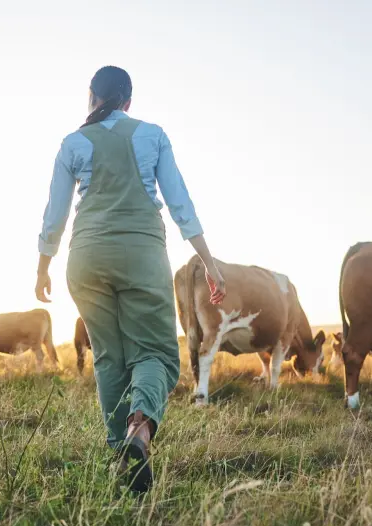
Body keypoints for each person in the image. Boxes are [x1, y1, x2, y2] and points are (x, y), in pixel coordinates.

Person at [35, 65, 225, 493]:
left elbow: (56, 213)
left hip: (85, 259)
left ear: (91, 97)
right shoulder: (152, 134)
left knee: (108, 359)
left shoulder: (72, 143)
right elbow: (181, 205)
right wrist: (209, 263)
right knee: (157, 352)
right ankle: (139, 430)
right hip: (141, 255)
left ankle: (119, 453)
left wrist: (43, 264)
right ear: (129, 102)